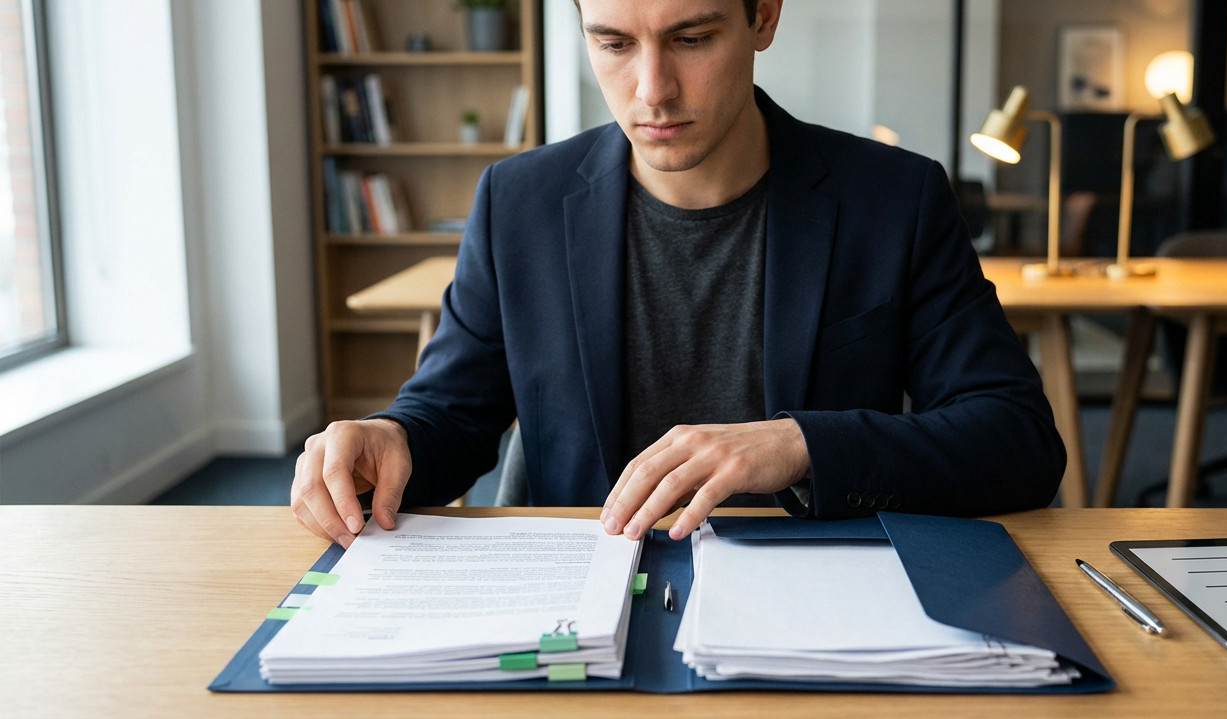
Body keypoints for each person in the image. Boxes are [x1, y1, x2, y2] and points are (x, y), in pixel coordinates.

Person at [290, 0, 1065, 549]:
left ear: (763, 16)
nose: (652, 90)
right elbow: (450, 416)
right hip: (588, 594)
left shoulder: (893, 200)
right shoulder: (517, 201)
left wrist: (800, 445)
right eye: (614, 44)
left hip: (817, 599)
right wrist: (386, 435)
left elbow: (1017, 440)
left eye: (691, 38)